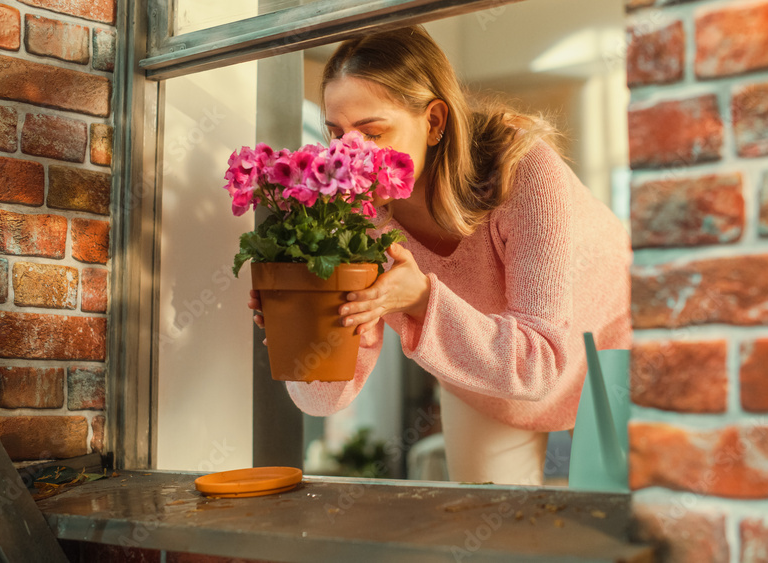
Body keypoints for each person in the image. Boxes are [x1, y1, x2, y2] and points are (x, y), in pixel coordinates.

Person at [248, 25, 631, 486]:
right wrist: (308, 324)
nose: (351, 154)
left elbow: (540, 363)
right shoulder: (357, 218)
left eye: (372, 132)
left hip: (611, 348)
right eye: (337, 134)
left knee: (620, 530)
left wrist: (422, 300)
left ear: (433, 122)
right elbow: (323, 402)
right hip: (489, 380)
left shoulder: (523, 171)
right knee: (491, 539)